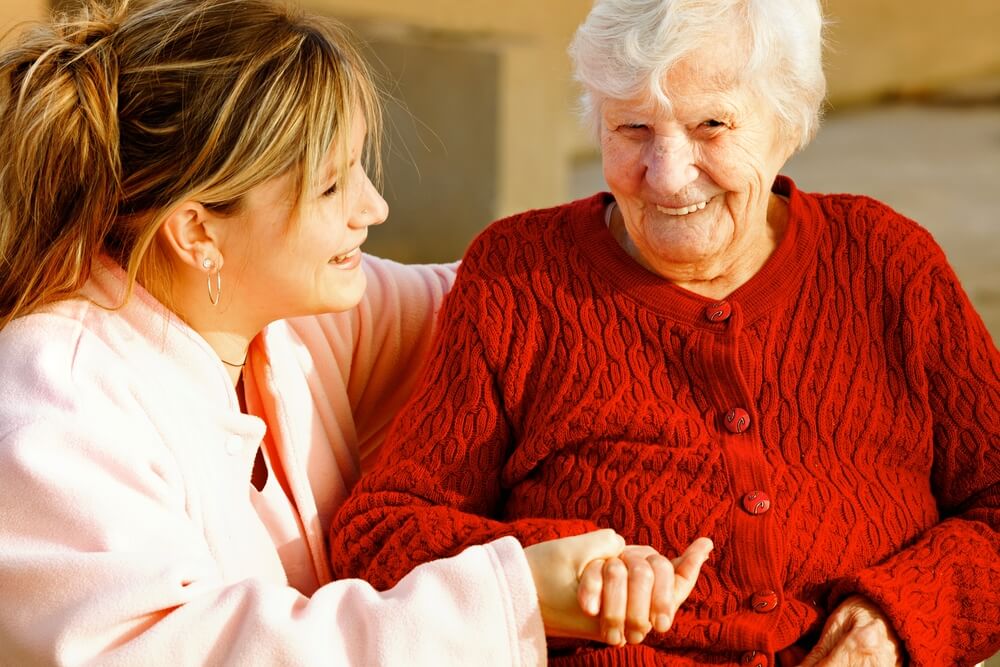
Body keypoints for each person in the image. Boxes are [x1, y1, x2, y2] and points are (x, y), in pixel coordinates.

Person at [0, 0, 716, 664]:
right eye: (332, 186)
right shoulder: (55, 407)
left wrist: (683, 218)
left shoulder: (294, 322)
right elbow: (180, 650)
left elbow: (517, 302)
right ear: (196, 230)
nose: (372, 207)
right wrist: (509, 595)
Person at [329, 0, 1000, 665]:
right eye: (632, 128)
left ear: (786, 122)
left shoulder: (886, 262)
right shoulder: (520, 278)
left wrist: (898, 618)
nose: (668, 173)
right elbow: (382, 531)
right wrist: (564, 570)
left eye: (711, 125)